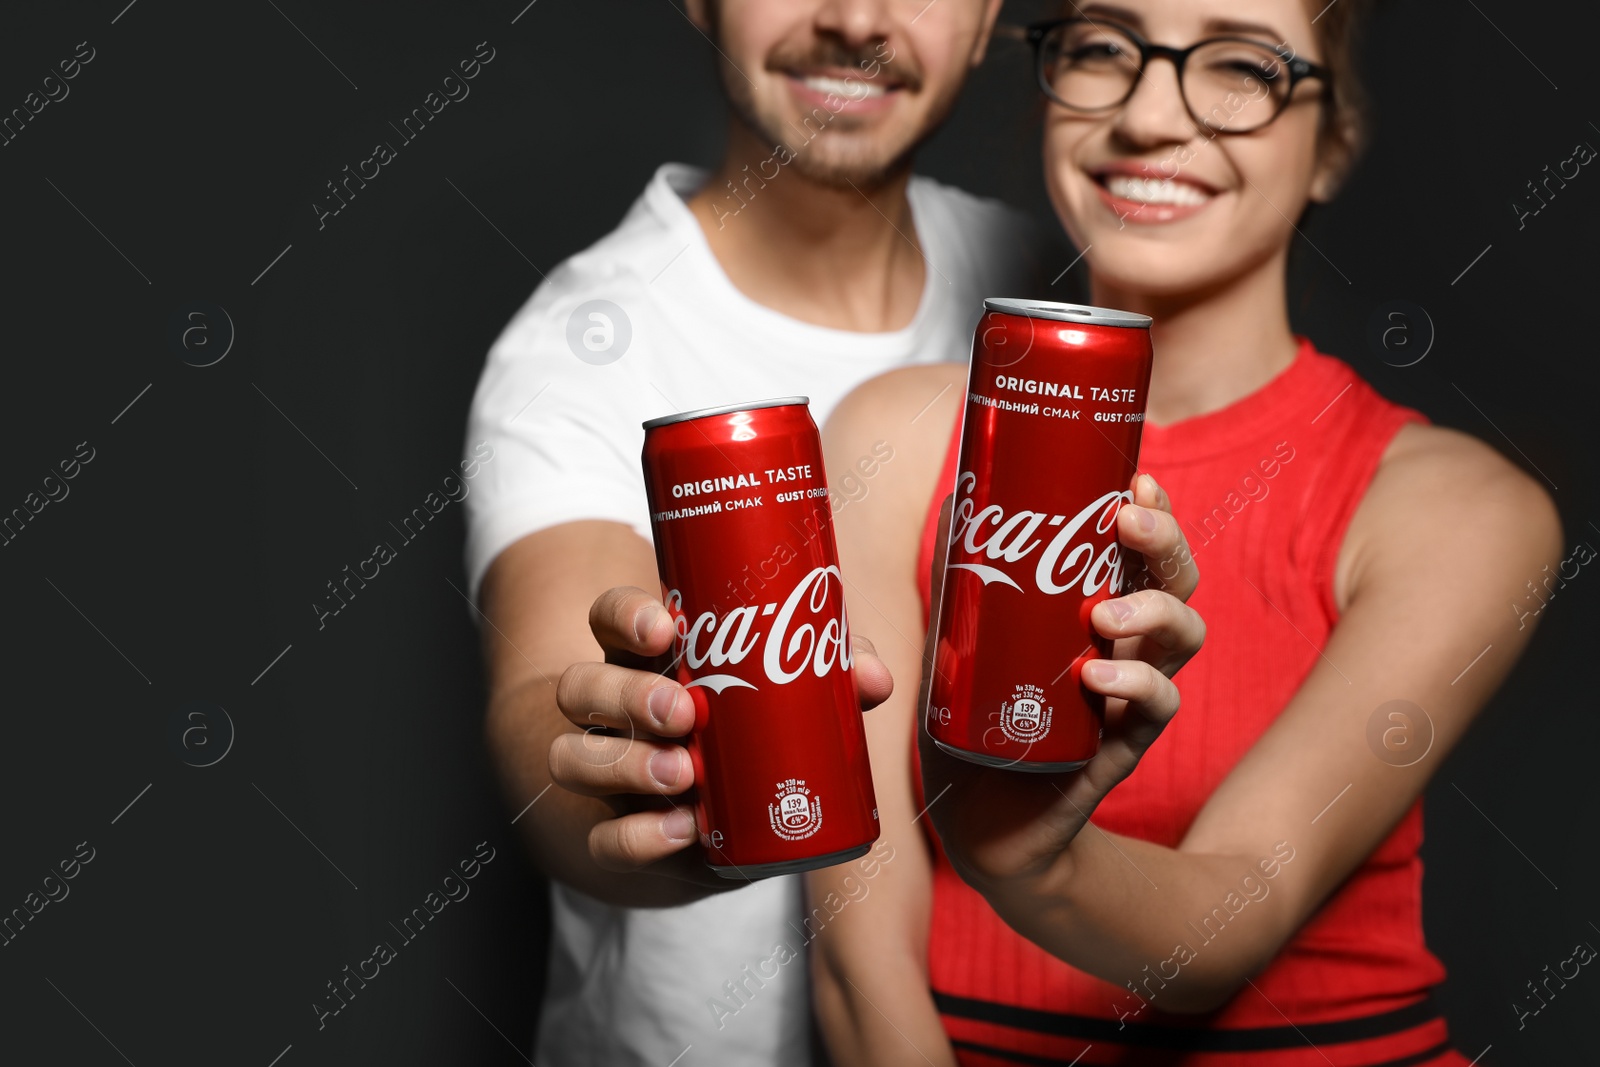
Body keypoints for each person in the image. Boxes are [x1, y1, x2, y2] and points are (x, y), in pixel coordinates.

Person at [809, 1, 1564, 1064]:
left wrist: (1027, 858)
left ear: (1333, 142)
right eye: (1105, 48)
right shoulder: (893, 435)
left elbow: (1229, 916)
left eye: (1240, 67)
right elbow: (857, 959)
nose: (1150, 114)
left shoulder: (1460, 508)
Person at [461, 1, 1067, 1062]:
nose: (854, 19)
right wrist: (650, 805)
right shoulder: (584, 343)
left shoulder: (1037, 287)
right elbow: (540, 699)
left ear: (985, 23)